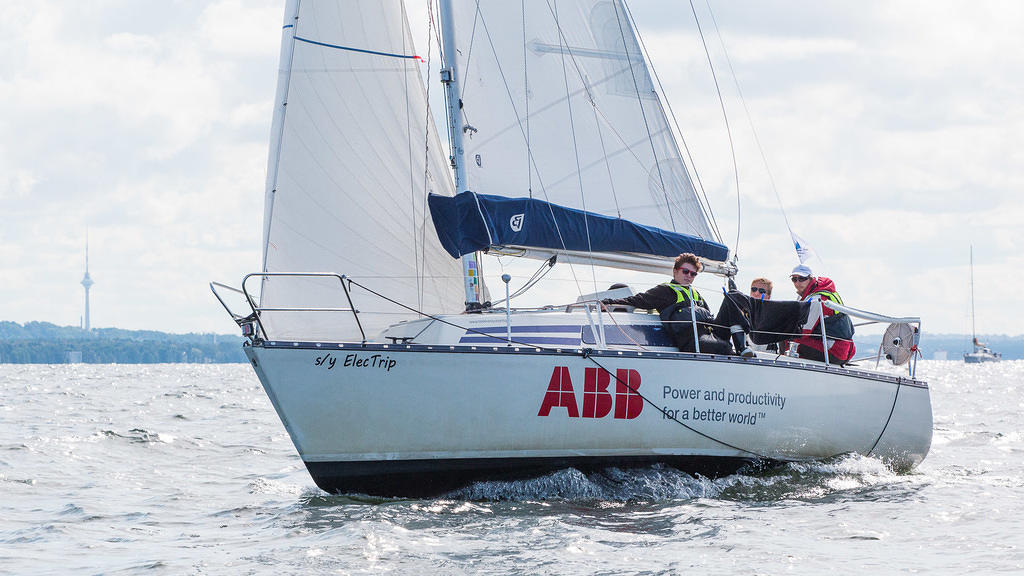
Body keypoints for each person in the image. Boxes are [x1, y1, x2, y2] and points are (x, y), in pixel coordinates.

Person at [601, 253, 731, 354]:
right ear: (675, 271)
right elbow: (639, 300)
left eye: (693, 274)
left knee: (734, 299)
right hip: (690, 341)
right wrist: (609, 302)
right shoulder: (665, 291)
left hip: (708, 336)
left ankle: (744, 347)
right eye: (685, 271)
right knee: (724, 347)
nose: (689, 276)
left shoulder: (696, 294)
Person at [787, 264, 855, 364]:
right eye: (794, 279)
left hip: (833, 351)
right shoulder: (823, 292)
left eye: (802, 279)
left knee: (788, 339)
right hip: (845, 350)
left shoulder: (817, 300)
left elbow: (805, 331)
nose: (797, 283)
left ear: (811, 279)